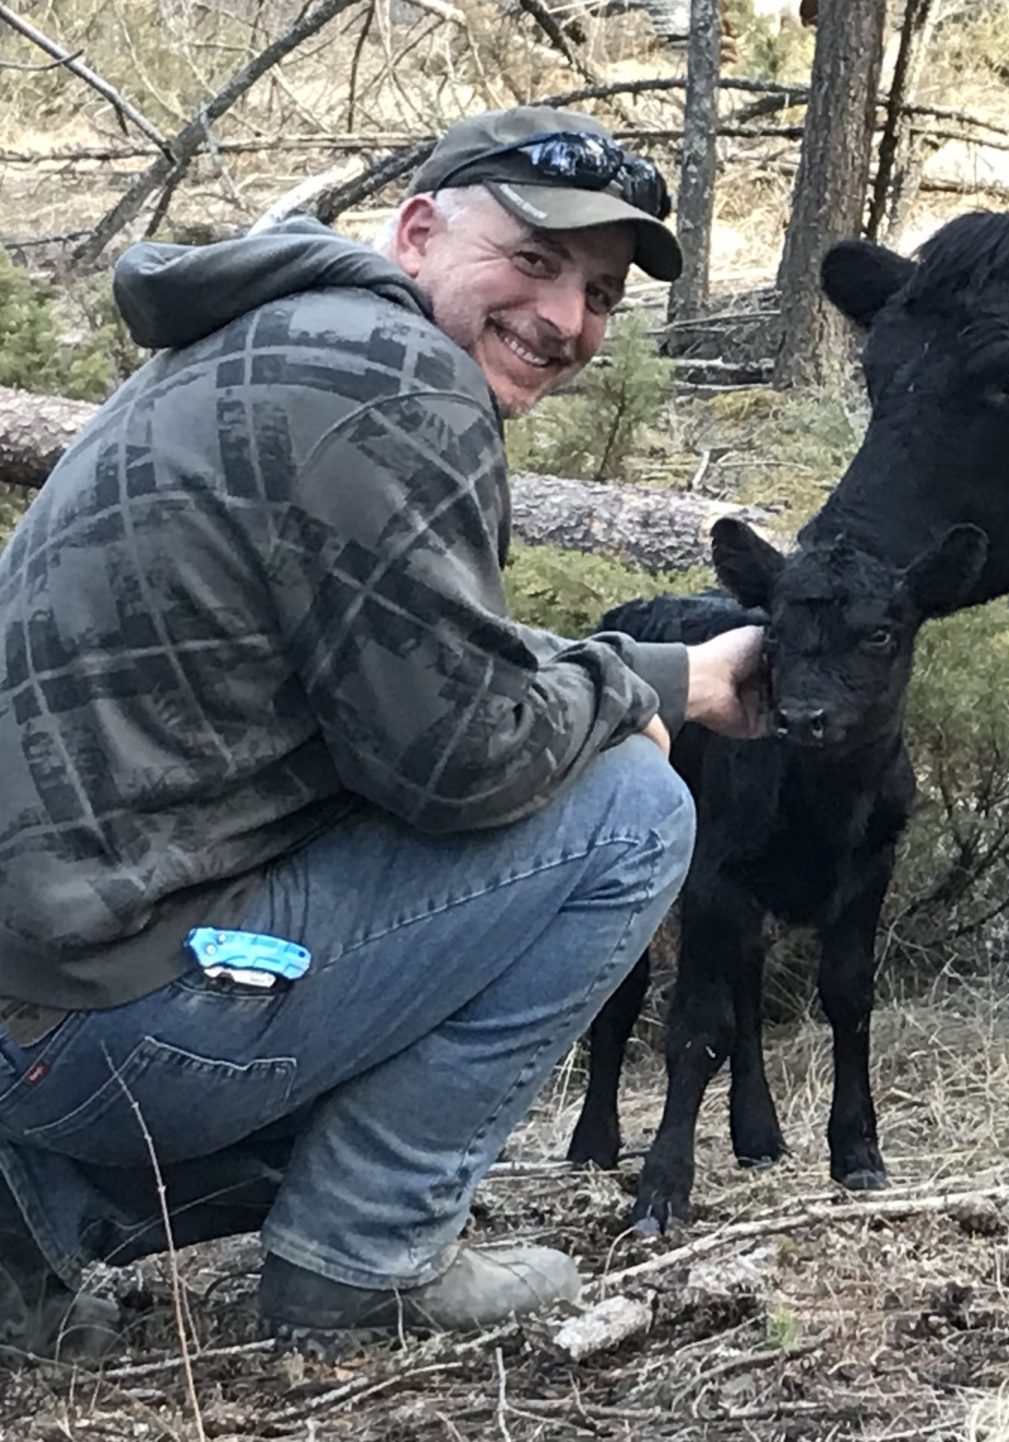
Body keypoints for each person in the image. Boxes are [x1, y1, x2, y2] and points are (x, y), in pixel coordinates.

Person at [0, 105, 765, 1361]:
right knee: (628, 810)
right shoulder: (401, 381)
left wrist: (644, 668)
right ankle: (364, 1258)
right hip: (103, 1025)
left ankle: (33, 1210)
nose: (566, 321)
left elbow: (410, 678)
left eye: (600, 294)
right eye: (533, 262)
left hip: (38, 986)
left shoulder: (263, 339)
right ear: (418, 231)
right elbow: (458, 763)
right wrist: (655, 693)